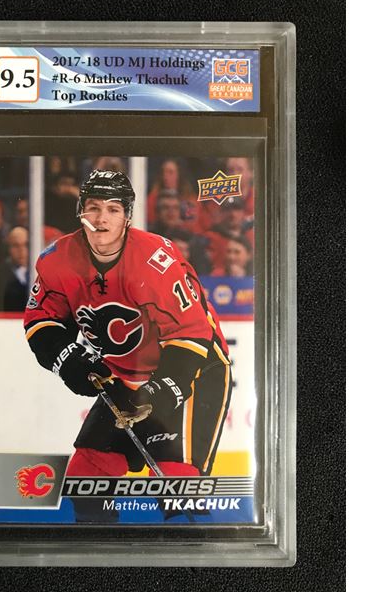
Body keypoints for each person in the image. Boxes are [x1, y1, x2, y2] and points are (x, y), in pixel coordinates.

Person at [24, 170, 232, 522]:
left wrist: (163, 389)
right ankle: (99, 552)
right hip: (124, 376)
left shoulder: (155, 259)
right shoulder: (56, 260)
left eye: (113, 209)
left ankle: (193, 553)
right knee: (86, 481)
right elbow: (41, 319)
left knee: (176, 486)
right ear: (80, 211)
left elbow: (192, 331)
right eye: (93, 207)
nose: (101, 218)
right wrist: (67, 358)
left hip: (194, 371)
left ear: (127, 217)